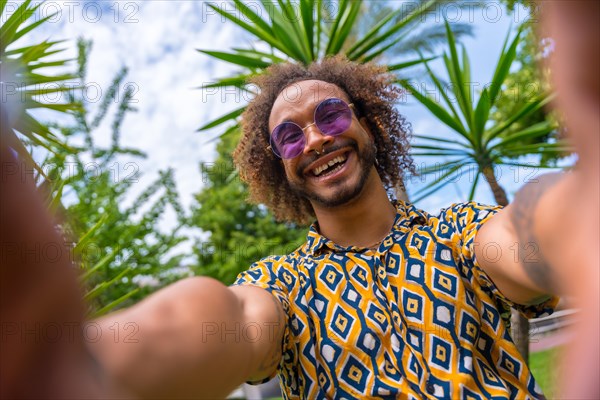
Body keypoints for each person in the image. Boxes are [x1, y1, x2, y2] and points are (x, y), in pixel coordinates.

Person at [0, 2, 597, 398]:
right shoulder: (280, 285)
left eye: (331, 113)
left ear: (370, 125)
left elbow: (529, 230)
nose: (315, 138)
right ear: (278, 167)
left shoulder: (461, 233)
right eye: (289, 134)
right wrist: (89, 366)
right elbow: (226, 322)